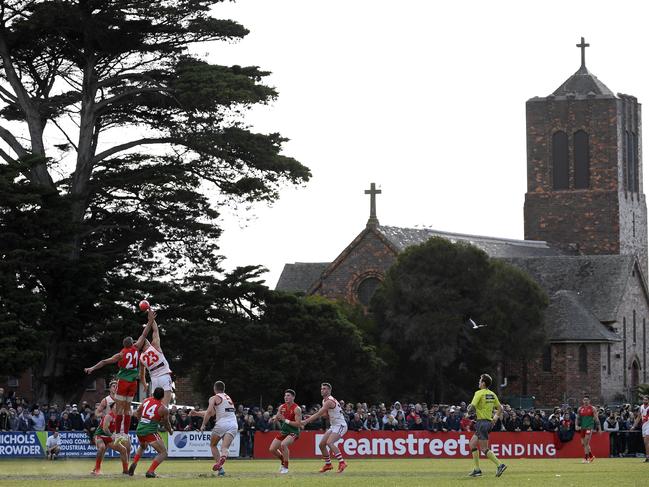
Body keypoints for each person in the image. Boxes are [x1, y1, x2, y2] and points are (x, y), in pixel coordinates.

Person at [84, 309, 156, 441]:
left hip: (123, 381)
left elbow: (105, 362)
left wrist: (92, 368)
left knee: (119, 410)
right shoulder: (137, 347)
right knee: (128, 409)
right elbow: (144, 333)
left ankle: (117, 433)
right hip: (133, 382)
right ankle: (126, 434)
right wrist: (150, 320)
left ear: (123, 345)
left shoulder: (121, 354)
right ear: (132, 343)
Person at [300, 382, 348, 473]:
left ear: (329, 390)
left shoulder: (329, 401)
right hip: (334, 426)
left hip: (341, 425)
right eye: (322, 388)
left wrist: (306, 421)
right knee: (321, 444)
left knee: (330, 442)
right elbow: (325, 415)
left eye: (325, 388)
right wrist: (310, 416)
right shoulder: (324, 401)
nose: (322, 390)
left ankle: (342, 463)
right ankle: (328, 464)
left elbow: (319, 413)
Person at [466, 373, 507, 478]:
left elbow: (471, 407)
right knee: (472, 444)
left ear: (483, 383)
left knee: (484, 449)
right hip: (488, 423)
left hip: (481, 423)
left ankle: (500, 465)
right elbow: (500, 408)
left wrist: (467, 413)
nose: (479, 382)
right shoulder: (492, 394)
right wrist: (495, 418)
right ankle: (477, 470)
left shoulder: (478, 393)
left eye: (480, 380)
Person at [128, 387, 173, 478]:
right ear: (163, 396)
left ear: (153, 394)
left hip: (140, 429)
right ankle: (150, 471)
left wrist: (142, 420)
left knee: (143, 446)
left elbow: (137, 412)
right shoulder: (163, 408)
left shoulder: (146, 400)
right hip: (150, 431)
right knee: (163, 453)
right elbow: (166, 423)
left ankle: (135, 462)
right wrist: (170, 430)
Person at [197, 381, 238, 475]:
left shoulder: (214, 397)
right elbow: (213, 413)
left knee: (213, 445)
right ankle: (223, 457)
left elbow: (209, 412)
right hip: (233, 424)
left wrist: (203, 425)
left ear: (214, 389)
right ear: (223, 389)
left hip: (222, 424)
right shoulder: (228, 397)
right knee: (225, 447)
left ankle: (221, 470)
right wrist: (197, 413)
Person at [138, 315, 173, 405]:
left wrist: (145, 384)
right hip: (164, 375)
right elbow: (155, 330)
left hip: (154, 379)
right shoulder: (155, 345)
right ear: (146, 342)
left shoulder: (141, 358)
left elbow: (141, 375)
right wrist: (151, 318)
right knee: (165, 406)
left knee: (156, 405)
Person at [269, 389, 302, 474]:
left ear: (293, 397)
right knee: (272, 449)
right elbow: (277, 417)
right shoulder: (281, 407)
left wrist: (285, 420)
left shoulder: (297, 408)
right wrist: (273, 419)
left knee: (283, 444)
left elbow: (298, 424)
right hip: (284, 431)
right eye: (285, 395)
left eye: (288, 395)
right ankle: (283, 461)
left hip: (293, 432)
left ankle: (286, 467)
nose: (286, 397)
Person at [92, 403, 129, 476]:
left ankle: (125, 471)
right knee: (102, 447)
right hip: (100, 436)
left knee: (123, 449)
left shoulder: (119, 417)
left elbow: (114, 429)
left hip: (108, 437)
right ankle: (97, 470)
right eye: (116, 406)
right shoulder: (109, 416)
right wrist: (112, 435)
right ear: (112, 408)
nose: (118, 408)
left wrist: (118, 436)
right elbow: (105, 429)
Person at [576, 395, 600, 463]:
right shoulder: (580, 409)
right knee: (583, 444)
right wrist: (576, 425)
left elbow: (596, 418)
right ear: (583, 401)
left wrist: (598, 426)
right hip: (582, 427)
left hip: (589, 427)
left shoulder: (592, 408)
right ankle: (591, 456)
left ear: (589, 401)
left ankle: (586, 458)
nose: (586, 401)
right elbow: (577, 418)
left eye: (587, 400)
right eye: (584, 400)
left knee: (586, 442)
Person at [632, 395, 649, 462]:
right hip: (644, 426)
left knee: (646, 441)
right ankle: (647, 457)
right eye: (644, 400)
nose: (645, 401)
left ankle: (647, 457)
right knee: (645, 443)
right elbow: (639, 417)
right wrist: (633, 426)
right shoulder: (641, 407)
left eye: (646, 400)